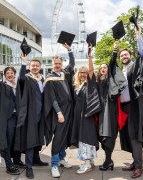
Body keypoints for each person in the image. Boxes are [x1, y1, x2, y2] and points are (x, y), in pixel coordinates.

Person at [118, 25, 143, 179]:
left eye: (126, 54)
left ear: (130, 55)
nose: (124, 57)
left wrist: (138, 36)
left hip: (136, 107)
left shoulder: (135, 67)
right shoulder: (122, 71)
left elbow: (142, 54)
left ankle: (138, 167)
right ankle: (134, 161)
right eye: (121, 56)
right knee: (127, 135)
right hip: (125, 107)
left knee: (135, 136)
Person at [14, 54, 48, 179]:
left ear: (40, 67)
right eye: (32, 66)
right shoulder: (27, 78)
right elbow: (21, 78)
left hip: (41, 115)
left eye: (37, 66)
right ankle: (29, 167)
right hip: (30, 116)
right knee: (30, 140)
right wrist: (23, 62)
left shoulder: (42, 79)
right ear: (29, 67)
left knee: (38, 138)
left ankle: (36, 159)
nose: (34, 67)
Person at [44, 43, 75, 178]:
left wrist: (69, 50)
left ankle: (62, 158)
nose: (57, 65)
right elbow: (52, 99)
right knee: (58, 138)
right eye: (55, 63)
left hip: (69, 110)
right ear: (52, 64)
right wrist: (59, 112)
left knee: (65, 136)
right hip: (60, 112)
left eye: (59, 63)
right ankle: (54, 164)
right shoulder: (50, 78)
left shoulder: (65, 74)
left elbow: (72, 64)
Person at [97, 40, 127, 172]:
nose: (103, 68)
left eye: (106, 67)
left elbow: (113, 62)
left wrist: (115, 49)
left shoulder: (111, 80)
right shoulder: (98, 82)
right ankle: (108, 160)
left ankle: (108, 161)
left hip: (110, 112)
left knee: (109, 136)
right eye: (101, 67)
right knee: (102, 137)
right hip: (100, 113)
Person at [70, 46, 100, 174]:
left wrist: (89, 56)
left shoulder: (90, 84)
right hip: (79, 116)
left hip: (87, 115)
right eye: (80, 73)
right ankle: (91, 162)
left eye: (85, 72)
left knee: (86, 138)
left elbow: (92, 70)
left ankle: (87, 164)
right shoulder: (77, 86)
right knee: (83, 137)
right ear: (78, 74)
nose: (83, 74)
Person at [0, 66, 24, 175]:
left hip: (17, 116)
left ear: (14, 74)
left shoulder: (17, 85)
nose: (10, 74)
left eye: (12, 73)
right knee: (8, 141)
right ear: (5, 75)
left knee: (17, 139)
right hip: (8, 117)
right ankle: (9, 165)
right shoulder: (1, 85)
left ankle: (17, 161)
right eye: (7, 73)